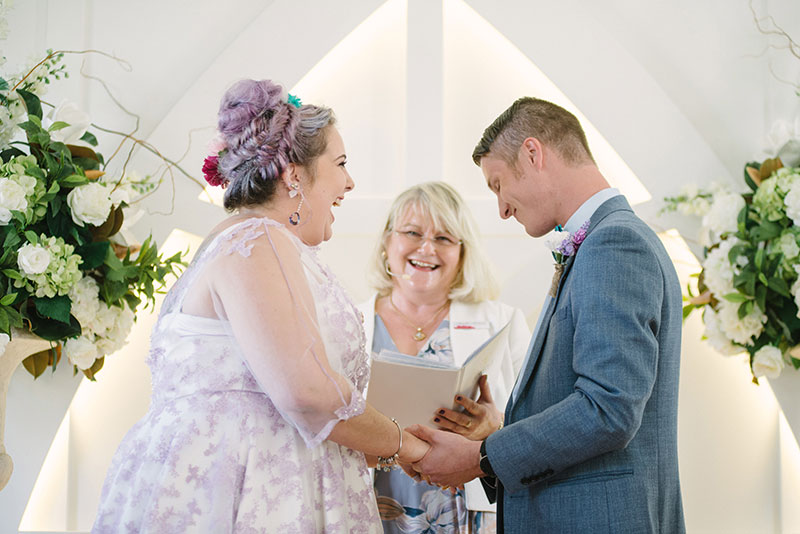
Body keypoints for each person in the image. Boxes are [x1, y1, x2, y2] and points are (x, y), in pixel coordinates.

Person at [92, 79, 429, 533]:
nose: (350, 182)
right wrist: (410, 447)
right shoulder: (258, 241)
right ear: (293, 173)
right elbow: (307, 394)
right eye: (341, 164)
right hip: (245, 492)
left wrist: (389, 445)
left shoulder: (240, 241)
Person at [407, 98, 685, 533]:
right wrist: (495, 431)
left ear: (533, 154)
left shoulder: (614, 245)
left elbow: (607, 409)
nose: (501, 207)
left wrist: (481, 458)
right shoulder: (603, 241)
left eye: (498, 183)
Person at [358, 182, 530, 533]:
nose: (426, 249)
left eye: (444, 238)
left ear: (462, 253)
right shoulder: (348, 321)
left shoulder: (502, 322)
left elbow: (539, 428)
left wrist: (494, 428)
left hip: (466, 513)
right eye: (412, 233)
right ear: (387, 242)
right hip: (368, 505)